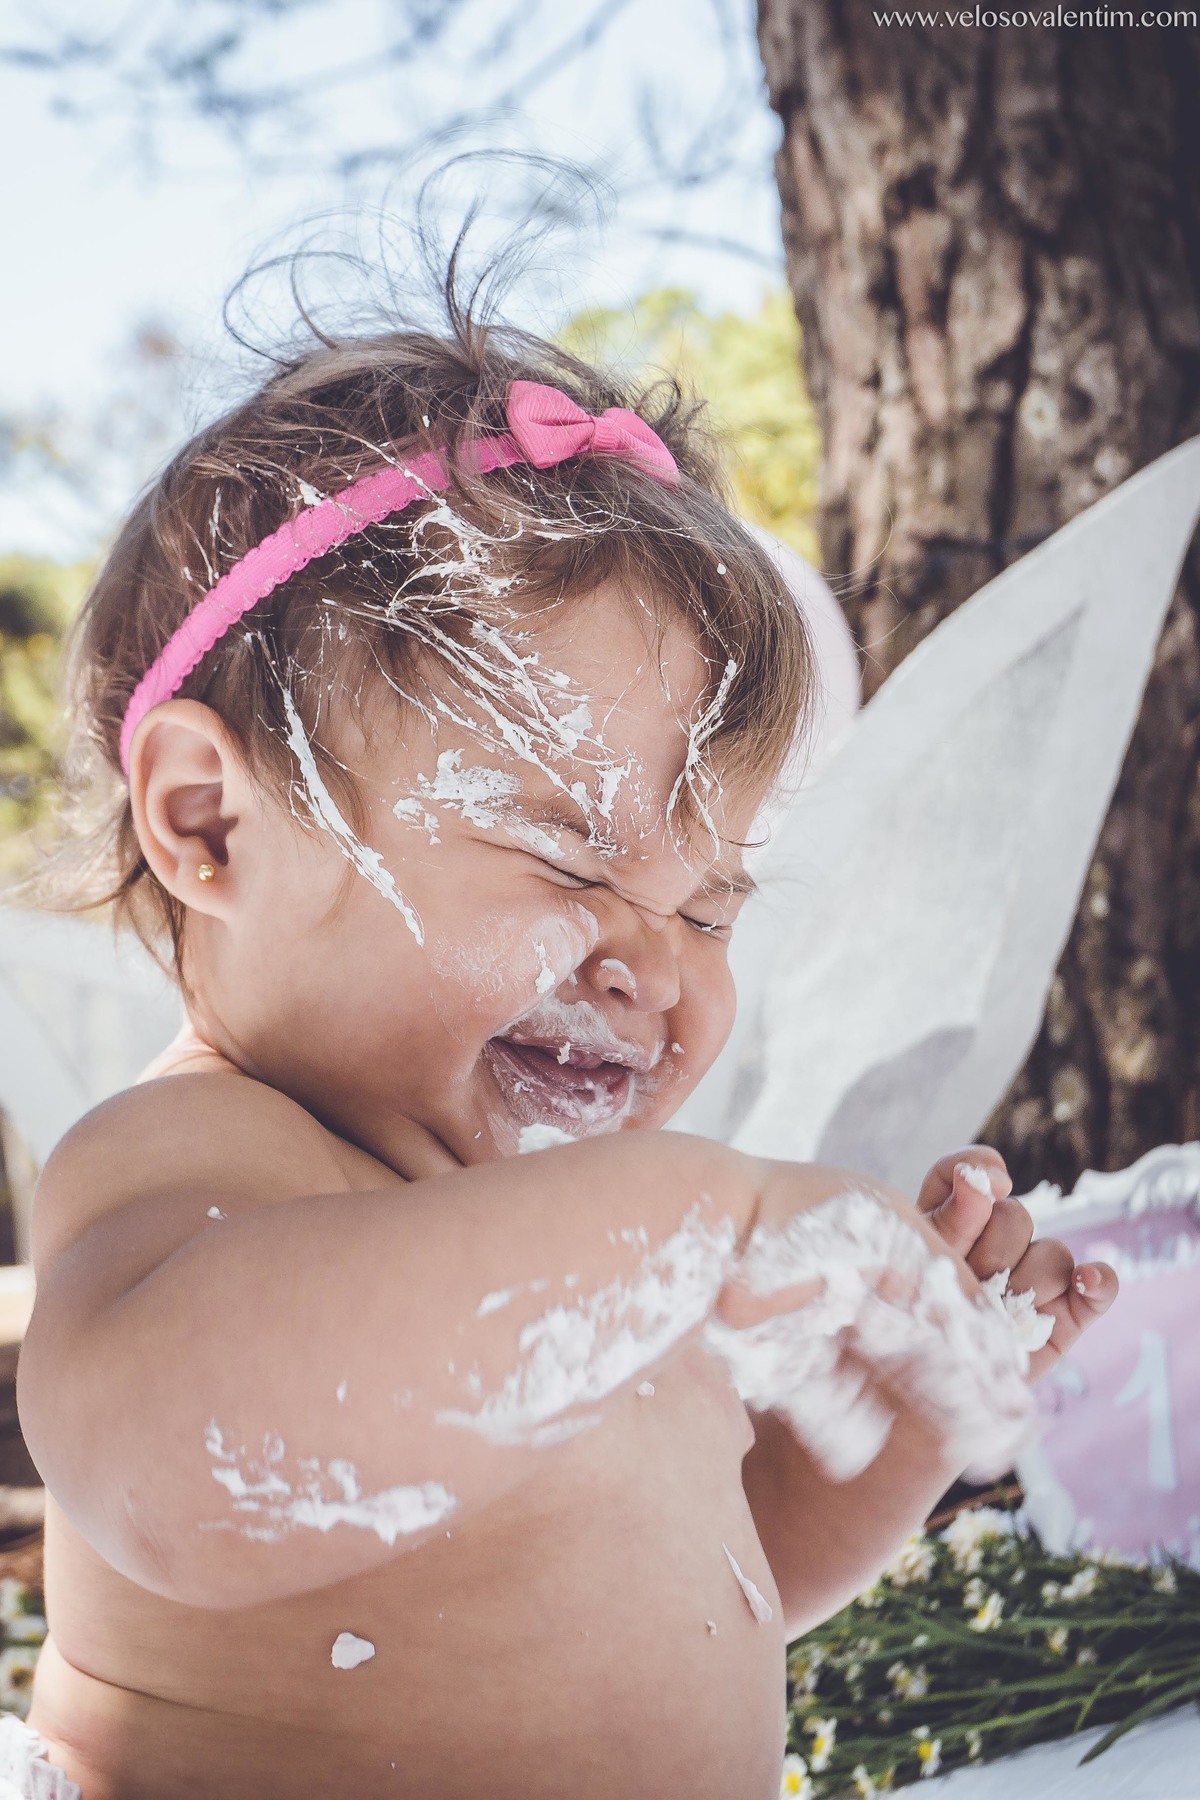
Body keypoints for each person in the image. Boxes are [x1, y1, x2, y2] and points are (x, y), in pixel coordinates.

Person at [12, 283, 1116, 1799]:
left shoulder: (579, 1256)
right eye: (568, 862)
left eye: (713, 908)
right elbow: (171, 1474)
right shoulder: (207, 1164)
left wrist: (898, 1420)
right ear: (211, 823)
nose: (654, 968)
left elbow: (718, 1580)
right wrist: (693, 1223)